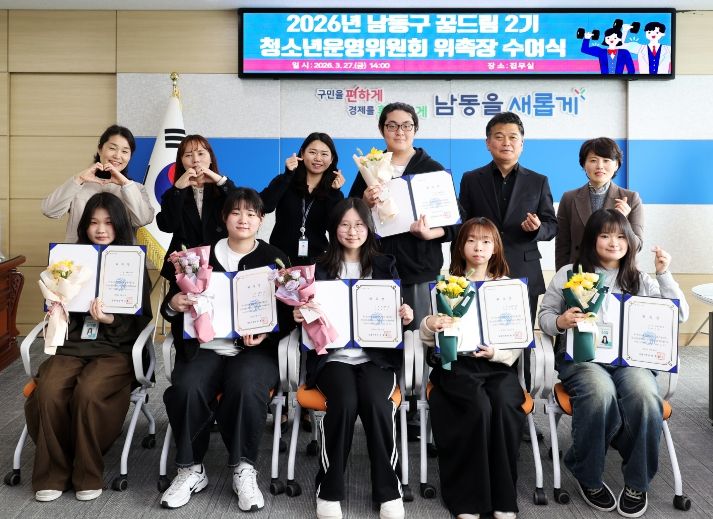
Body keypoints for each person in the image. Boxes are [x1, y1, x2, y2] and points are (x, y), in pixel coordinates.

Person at [538, 209, 689, 518]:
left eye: (621, 236)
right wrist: (561, 321)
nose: (613, 242)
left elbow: (679, 315)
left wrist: (664, 274)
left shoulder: (640, 279)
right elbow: (544, 317)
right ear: (592, 239)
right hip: (584, 359)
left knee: (645, 395)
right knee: (599, 392)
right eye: (605, 235)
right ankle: (588, 475)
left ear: (630, 242)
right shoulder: (569, 274)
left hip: (631, 362)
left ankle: (637, 482)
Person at [159, 188, 294, 512]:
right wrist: (175, 303)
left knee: (247, 386)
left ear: (261, 219)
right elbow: (171, 306)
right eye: (236, 212)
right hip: (205, 347)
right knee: (186, 387)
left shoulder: (275, 258)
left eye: (251, 214)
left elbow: (289, 314)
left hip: (254, 351)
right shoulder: (198, 257)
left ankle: (243, 468)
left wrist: (266, 333)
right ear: (224, 217)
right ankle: (191, 468)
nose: (243, 219)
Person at [26, 192, 152, 502]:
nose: (101, 229)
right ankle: (53, 473)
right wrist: (57, 305)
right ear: (84, 226)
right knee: (49, 389)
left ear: (119, 225)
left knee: (89, 391)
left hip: (116, 349)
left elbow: (140, 321)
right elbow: (57, 308)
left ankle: (87, 472)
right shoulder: (69, 261)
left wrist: (110, 319)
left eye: (108, 222)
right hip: (73, 345)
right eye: (94, 222)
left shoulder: (132, 262)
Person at [293, 198, 413, 519]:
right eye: (345, 224)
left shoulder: (385, 265)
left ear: (369, 228)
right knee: (343, 402)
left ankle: (389, 491)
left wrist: (405, 314)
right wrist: (299, 314)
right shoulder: (317, 268)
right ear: (334, 229)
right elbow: (304, 313)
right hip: (333, 358)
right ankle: (328, 490)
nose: (352, 231)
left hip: (377, 357)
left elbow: (398, 312)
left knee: (376, 403)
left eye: (359, 224)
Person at [420, 217, 525, 519]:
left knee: (503, 403)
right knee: (478, 407)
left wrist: (497, 352)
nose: (478, 247)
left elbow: (518, 339)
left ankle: (503, 496)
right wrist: (430, 323)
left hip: (496, 365)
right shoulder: (446, 284)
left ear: (496, 248)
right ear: (460, 246)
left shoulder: (507, 288)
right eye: (471, 240)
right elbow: (426, 336)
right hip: (457, 366)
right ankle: (467, 498)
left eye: (486, 241)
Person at [459, 111, 557, 391]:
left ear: (522, 144)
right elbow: (463, 223)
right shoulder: (471, 179)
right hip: (480, 270)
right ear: (488, 143)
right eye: (499, 137)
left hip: (522, 271)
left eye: (513, 137)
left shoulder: (538, 181)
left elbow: (552, 225)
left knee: (518, 339)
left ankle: (520, 399)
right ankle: (481, 389)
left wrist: (536, 229)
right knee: (479, 331)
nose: (506, 142)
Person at [348, 102, 457, 330]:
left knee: (420, 336)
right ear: (382, 130)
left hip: (419, 270)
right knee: (380, 333)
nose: (400, 132)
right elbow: (349, 216)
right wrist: (364, 203)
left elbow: (455, 223)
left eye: (407, 125)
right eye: (392, 126)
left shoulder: (432, 169)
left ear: (415, 129)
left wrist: (429, 234)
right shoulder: (369, 167)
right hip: (376, 268)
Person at [42, 125, 154, 243]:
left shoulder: (136, 188)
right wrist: (79, 179)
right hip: (79, 252)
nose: (117, 156)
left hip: (120, 253)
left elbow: (143, 219)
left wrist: (126, 185)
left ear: (130, 156)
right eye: (112, 148)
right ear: (100, 149)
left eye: (125, 151)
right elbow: (50, 210)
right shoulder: (79, 184)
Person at [555, 137, 643, 271]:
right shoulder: (569, 198)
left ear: (616, 165)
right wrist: (563, 276)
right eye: (593, 160)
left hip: (619, 273)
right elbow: (562, 245)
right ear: (584, 164)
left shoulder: (631, 198)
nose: (600, 166)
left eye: (606, 160)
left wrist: (623, 220)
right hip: (580, 273)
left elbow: (637, 246)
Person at [156, 134, 236, 281]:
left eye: (201, 153)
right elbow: (167, 226)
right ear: (181, 162)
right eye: (188, 155)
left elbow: (241, 205)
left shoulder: (222, 189)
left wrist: (219, 180)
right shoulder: (173, 193)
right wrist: (178, 189)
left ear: (211, 158)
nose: (195, 160)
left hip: (220, 263)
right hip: (184, 267)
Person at [261, 132, 345, 266]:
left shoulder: (333, 192)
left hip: (316, 262)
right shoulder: (285, 181)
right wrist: (288, 175)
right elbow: (265, 206)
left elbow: (336, 228)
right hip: (280, 259)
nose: (318, 158)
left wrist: (334, 193)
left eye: (324, 154)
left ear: (331, 159)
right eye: (312, 152)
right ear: (302, 153)